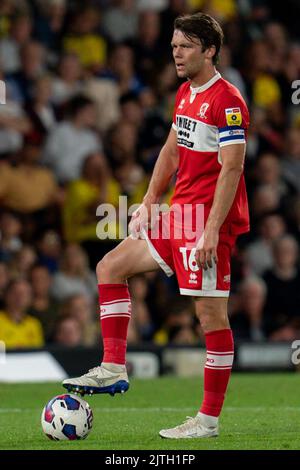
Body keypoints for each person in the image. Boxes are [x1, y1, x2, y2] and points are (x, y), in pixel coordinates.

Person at [62, 13, 250, 439]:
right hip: (177, 215)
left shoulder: (228, 101)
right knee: (110, 267)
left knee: (210, 318)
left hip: (204, 222)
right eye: (173, 46)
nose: (176, 54)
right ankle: (112, 367)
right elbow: (171, 150)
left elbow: (232, 169)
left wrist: (211, 231)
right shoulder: (185, 93)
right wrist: (148, 201)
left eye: (184, 46)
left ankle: (207, 422)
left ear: (209, 50)